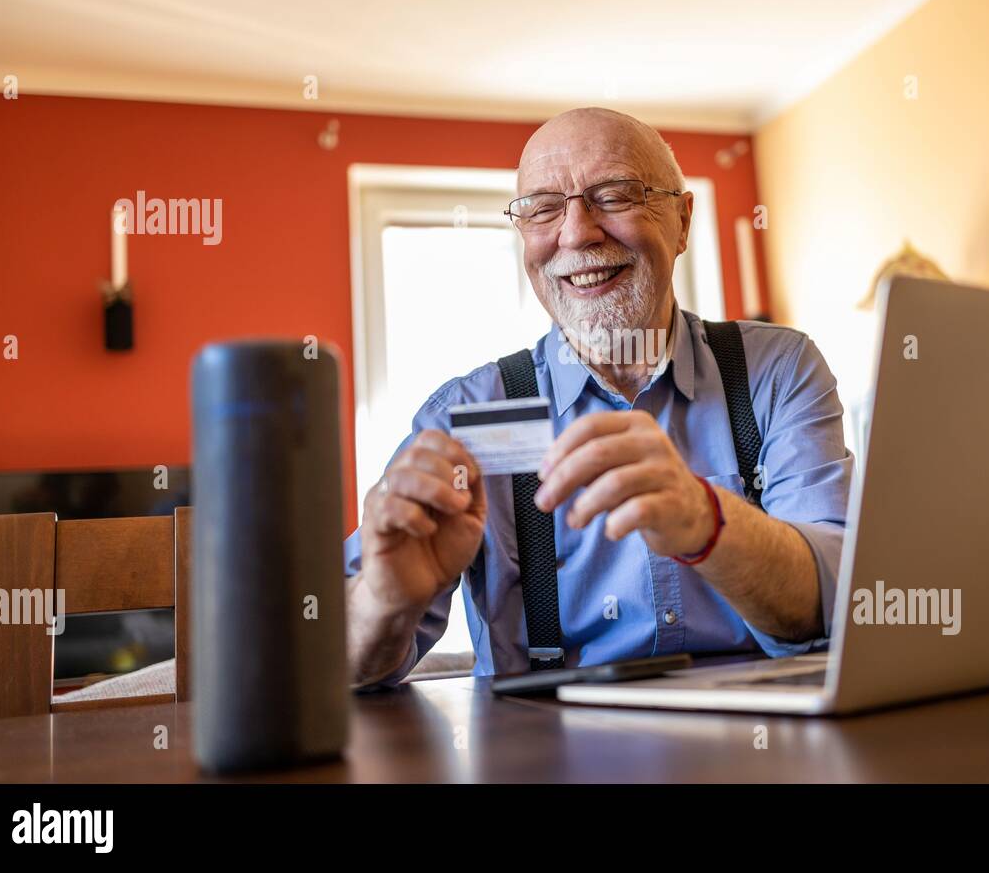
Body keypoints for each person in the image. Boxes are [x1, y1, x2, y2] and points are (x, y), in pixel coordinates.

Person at [344, 106, 853, 685]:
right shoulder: (470, 415)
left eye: (614, 195)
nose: (578, 232)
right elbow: (327, 666)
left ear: (682, 222)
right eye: (542, 209)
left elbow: (837, 600)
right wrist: (383, 604)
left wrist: (708, 521)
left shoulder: (777, 371)